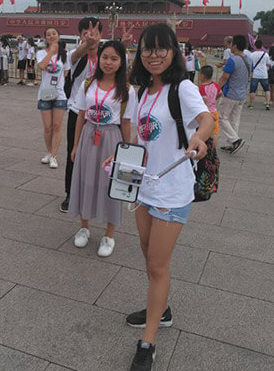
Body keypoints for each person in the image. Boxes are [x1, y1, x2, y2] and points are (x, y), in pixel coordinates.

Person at [120, 23, 213, 371]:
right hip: (144, 186)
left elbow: (206, 119)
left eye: (161, 48)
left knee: (158, 265)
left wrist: (199, 138)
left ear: (173, 52)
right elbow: (142, 139)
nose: (153, 55)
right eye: (147, 48)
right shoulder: (142, 92)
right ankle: (162, 309)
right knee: (148, 255)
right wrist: (121, 162)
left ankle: (149, 341)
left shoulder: (182, 87)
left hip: (172, 191)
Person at [68, 40, 136, 257]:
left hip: (111, 138)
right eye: (105, 57)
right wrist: (75, 145)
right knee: (85, 181)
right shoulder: (88, 84)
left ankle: (109, 235)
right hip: (88, 135)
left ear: (122, 62)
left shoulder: (127, 90)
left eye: (114, 58)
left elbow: (126, 122)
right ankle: (84, 227)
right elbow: (80, 116)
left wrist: (126, 153)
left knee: (111, 185)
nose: (108, 62)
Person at [60, 17, 103, 212]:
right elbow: (78, 53)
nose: (90, 36)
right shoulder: (75, 56)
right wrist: (87, 44)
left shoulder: (105, 57)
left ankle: (95, 193)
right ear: (80, 36)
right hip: (77, 112)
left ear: (101, 35)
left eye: (94, 32)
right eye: (86, 33)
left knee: (99, 155)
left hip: (101, 115)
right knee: (74, 153)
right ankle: (70, 192)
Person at [36, 27, 69, 168]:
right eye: (48, 34)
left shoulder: (65, 55)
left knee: (57, 126)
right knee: (47, 127)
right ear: (45, 38)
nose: (51, 36)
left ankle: (54, 155)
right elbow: (42, 66)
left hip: (59, 94)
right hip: (45, 93)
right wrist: (51, 52)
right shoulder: (41, 53)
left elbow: (66, 73)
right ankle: (49, 152)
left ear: (59, 36)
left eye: (54, 34)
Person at [217, 34, 252, 154]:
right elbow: (250, 75)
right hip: (242, 94)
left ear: (235, 46)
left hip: (230, 94)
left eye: (231, 44)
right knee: (234, 120)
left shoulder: (232, 60)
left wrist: (215, 89)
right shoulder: (249, 59)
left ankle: (235, 140)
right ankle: (231, 144)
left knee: (221, 118)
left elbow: (224, 77)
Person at [198, 65, 222, 147]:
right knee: (214, 134)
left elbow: (205, 102)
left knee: (205, 132)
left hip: (207, 113)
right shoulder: (215, 85)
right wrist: (214, 99)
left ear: (202, 75)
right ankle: (214, 149)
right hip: (214, 111)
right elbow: (220, 93)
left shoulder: (201, 88)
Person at [248, 39, 271, 110]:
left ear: (255, 46)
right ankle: (267, 103)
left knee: (252, 90)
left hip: (255, 74)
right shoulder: (265, 54)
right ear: (261, 46)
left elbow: (250, 64)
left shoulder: (252, 54)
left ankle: (251, 104)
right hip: (264, 74)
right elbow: (268, 63)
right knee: (267, 89)